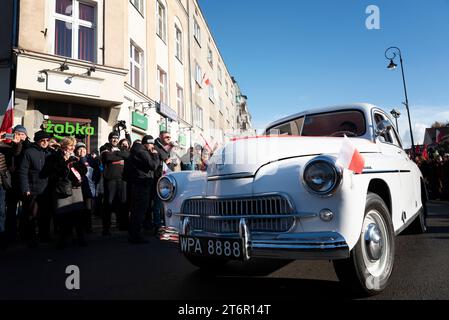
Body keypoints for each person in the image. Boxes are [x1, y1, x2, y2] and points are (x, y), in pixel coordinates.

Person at [45, 137, 87, 248]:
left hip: (76, 189)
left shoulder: (75, 157)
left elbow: (83, 170)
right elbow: (54, 172)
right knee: (64, 216)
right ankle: (63, 239)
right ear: (63, 145)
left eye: (74, 146)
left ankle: (80, 237)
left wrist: (75, 162)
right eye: (70, 146)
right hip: (62, 189)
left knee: (78, 214)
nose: (73, 148)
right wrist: (66, 163)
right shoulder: (54, 157)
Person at [17, 130, 52, 248]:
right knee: (32, 215)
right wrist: (25, 188)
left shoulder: (50, 153)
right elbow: (23, 172)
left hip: (46, 190)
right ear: (37, 140)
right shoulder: (29, 152)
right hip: (33, 189)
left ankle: (44, 236)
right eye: (43, 140)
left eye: (47, 140)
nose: (45, 142)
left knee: (45, 215)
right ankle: (30, 238)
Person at [126, 135, 160, 244]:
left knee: (136, 209)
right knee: (140, 210)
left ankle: (133, 233)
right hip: (142, 183)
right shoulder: (142, 152)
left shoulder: (137, 150)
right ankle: (136, 235)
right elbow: (153, 166)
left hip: (138, 183)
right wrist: (155, 156)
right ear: (147, 143)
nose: (152, 147)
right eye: (151, 144)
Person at [100, 131, 130, 235]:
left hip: (122, 180)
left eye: (117, 138)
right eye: (113, 138)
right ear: (109, 139)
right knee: (108, 203)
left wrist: (115, 154)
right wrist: (121, 156)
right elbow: (107, 157)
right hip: (110, 180)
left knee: (123, 202)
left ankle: (123, 225)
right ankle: (106, 228)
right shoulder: (104, 147)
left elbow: (128, 155)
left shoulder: (121, 148)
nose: (115, 140)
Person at [5, 125, 30, 244]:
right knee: (11, 210)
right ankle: (11, 234)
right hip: (11, 183)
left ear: (26, 135)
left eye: (22, 134)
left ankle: (24, 232)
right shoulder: (8, 146)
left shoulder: (29, 147)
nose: (20, 136)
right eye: (17, 134)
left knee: (26, 210)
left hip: (26, 183)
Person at [0, 131, 22, 249]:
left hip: (2, 184)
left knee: (1, 211)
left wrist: (17, 143)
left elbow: (16, 152)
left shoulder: (4, 148)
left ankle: (3, 238)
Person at [75, 142, 101, 233]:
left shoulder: (90, 160)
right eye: (79, 149)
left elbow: (98, 171)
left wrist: (94, 181)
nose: (82, 151)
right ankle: (79, 228)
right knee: (78, 210)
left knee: (88, 209)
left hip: (88, 188)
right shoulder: (73, 159)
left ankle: (88, 227)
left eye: (84, 149)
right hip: (77, 189)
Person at [153, 131, 176, 230]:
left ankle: (166, 222)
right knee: (158, 203)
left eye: (169, 137)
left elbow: (173, 162)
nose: (168, 138)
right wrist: (167, 161)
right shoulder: (156, 148)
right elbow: (158, 161)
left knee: (167, 203)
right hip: (159, 179)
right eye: (166, 137)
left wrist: (171, 162)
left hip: (169, 179)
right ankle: (157, 225)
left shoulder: (169, 149)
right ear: (160, 137)